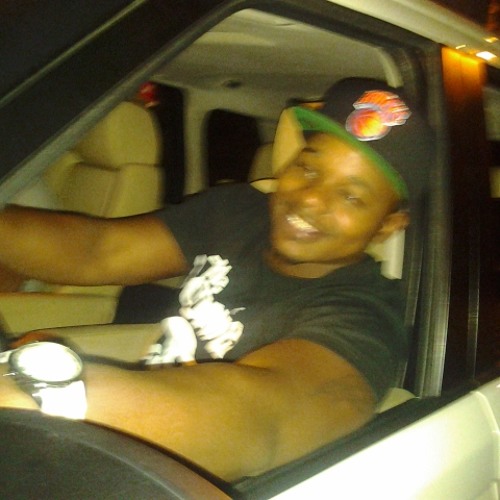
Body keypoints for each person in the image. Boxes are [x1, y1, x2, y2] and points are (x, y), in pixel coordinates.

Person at [0, 78, 433, 481]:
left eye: (352, 196)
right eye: (308, 168)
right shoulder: (238, 213)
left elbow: (261, 418)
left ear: (387, 226)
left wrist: (49, 396)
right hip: (109, 438)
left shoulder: (365, 316)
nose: (311, 198)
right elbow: (97, 250)